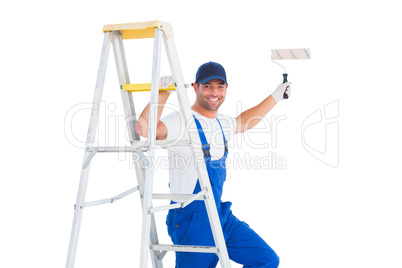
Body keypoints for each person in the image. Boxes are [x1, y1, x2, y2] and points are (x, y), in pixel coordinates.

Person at [136, 62, 291, 268]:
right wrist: (162, 95)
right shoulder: (182, 121)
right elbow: (144, 129)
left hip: (220, 215)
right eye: (207, 86)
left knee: (267, 260)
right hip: (192, 220)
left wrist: (276, 96)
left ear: (226, 89)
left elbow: (245, 121)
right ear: (196, 88)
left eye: (220, 86)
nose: (214, 92)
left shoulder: (223, 123)